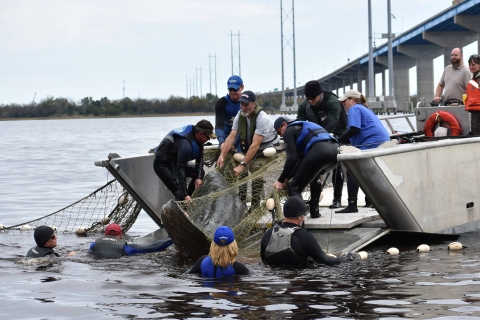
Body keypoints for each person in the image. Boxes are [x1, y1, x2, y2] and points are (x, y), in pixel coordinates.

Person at [217, 90, 280, 207]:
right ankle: (241, 203)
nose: (243, 107)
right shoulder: (240, 114)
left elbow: (255, 145)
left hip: (265, 149)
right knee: (237, 168)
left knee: (256, 167)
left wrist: (242, 165)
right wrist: (222, 155)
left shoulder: (263, 119)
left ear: (254, 104)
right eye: (241, 104)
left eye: (246, 104)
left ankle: (255, 205)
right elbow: (231, 136)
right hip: (251, 147)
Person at [335, 90, 390, 213]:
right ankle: (370, 202)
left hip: (371, 143)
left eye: (345, 100)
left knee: (353, 171)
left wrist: (337, 140)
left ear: (352, 99)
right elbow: (358, 131)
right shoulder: (365, 108)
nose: (343, 103)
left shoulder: (354, 109)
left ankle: (352, 205)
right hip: (380, 142)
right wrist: (343, 140)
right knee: (369, 171)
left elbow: (354, 129)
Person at [260, 196, 355, 267]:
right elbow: (327, 261)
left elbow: (263, 260)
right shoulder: (306, 237)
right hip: (298, 282)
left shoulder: (268, 234)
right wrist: (348, 258)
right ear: (299, 217)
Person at [297, 80, 348, 213]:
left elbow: (332, 122)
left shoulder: (332, 101)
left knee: (337, 164)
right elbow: (299, 124)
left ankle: (337, 199)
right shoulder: (305, 106)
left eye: (313, 98)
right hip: (318, 136)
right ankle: (314, 206)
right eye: (308, 98)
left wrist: (319, 137)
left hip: (338, 132)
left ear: (319, 94)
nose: (310, 101)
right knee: (316, 167)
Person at [273, 118, 338, 218]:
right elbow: (300, 164)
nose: (280, 135)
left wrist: (281, 180)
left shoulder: (289, 131)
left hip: (320, 151)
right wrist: (287, 177)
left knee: (294, 189)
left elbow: (292, 158)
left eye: (278, 131)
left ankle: (298, 222)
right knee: (313, 174)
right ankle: (314, 211)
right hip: (335, 153)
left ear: (284, 125)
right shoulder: (302, 127)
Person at [153, 120, 215, 204]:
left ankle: (190, 200)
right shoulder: (186, 145)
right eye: (208, 137)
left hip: (176, 163)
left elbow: (199, 158)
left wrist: (198, 178)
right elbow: (180, 171)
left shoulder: (196, 136)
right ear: (200, 134)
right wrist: (185, 195)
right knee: (180, 195)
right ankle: (180, 209)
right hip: (163, 165)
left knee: (199, 174)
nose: (208, 139)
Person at [89, 223, 173, 259]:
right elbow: (153, 247)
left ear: (104, 235)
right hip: (118, 265)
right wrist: (172, 239)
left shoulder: (94, 244)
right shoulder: (126, 247)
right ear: (121, 236)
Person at [215, 75, 244, 150]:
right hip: (225, 134)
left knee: (241, 152)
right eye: (230, 89)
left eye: (235, 89)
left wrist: (234, 144)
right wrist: (222, 142)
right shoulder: (221, 103)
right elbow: (219, 125)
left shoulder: (246, 103)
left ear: (242, 87)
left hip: (241, 134)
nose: (233, 92)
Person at [465, 54, 480, 134]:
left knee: (477, 133)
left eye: (473, 64)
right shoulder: (474, 79)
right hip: (474, 111)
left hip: (478, 112)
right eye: (470, 65)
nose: (471, 67)